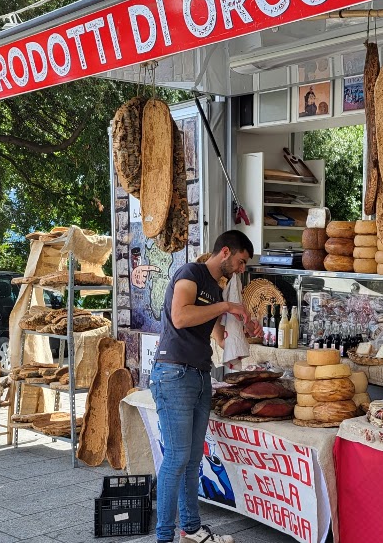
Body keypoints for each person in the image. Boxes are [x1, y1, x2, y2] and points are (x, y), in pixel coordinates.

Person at [149, 230, 258, 543]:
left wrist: (244, 329)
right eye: (240, 261)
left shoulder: (215, 286)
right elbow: (180, 316)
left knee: (192, 459)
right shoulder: (191, 273)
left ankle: (192, 530)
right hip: (174, 374)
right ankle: (164, 537)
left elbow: (218, 336)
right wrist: (226, 308)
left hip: (198, 375)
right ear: (225, 252)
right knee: (176, 458)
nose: (241, 269)